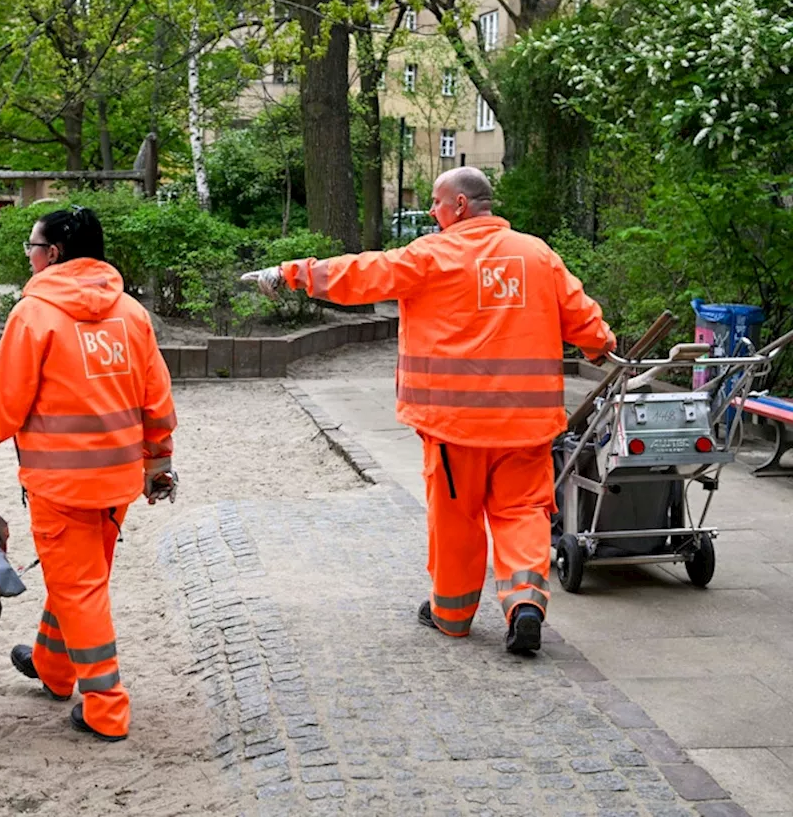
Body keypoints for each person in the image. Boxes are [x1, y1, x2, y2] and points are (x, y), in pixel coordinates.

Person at [242, 167, 616, 654]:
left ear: (459, 206)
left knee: (456, 520)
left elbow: (360, 274)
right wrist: (600, 344)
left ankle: (452, 615)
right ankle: (525, 605)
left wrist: (289, 273)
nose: (433, 215)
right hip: (526, 424)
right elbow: (582, 317)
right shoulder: (536, 254)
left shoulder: (433, 256)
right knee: (522, 512)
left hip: (453, 427)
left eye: (437, 206)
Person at [0, 206, 178, 741]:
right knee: (79, 577)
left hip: (61, 485)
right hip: (118, 482)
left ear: (53, 253)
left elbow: (2, 412)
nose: (28, 256)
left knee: (79, 587)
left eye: (33, 246)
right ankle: (53, 668)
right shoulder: (130, 314)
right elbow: (157, 401)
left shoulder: (34, 315)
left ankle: (106, 707)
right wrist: (159, 464)